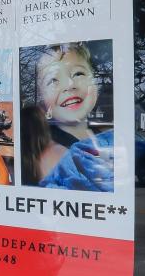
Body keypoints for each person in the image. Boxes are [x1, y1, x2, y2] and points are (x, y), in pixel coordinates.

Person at [25, 43, 113, 190]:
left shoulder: (102, 138)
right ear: (44, 103)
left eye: (78, 73)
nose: (69, 85)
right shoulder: (54, 153)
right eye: (53, 80)